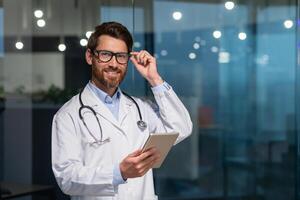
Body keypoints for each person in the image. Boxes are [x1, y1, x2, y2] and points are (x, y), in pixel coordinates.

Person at [51, 21, 192, 200]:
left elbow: (181, 128)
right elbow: (67, 178)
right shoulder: (68, 115)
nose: (114, 63)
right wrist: (119, 173)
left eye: (121, 56)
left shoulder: (140, 108)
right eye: (105, 55)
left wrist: (154, 79)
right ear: (89, 56)